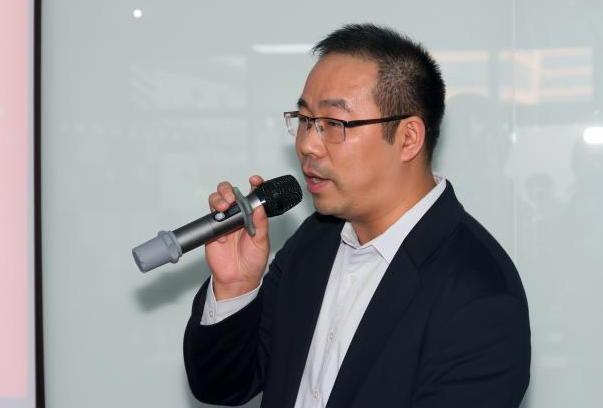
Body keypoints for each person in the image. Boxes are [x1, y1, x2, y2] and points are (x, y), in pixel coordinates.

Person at [183, 24, 531, 408]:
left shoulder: (480, 295)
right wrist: (235, 287)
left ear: (408, 138)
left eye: (333, 124)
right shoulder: (313, 241)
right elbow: (222, 385)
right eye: (304, 119)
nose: (307, 144)